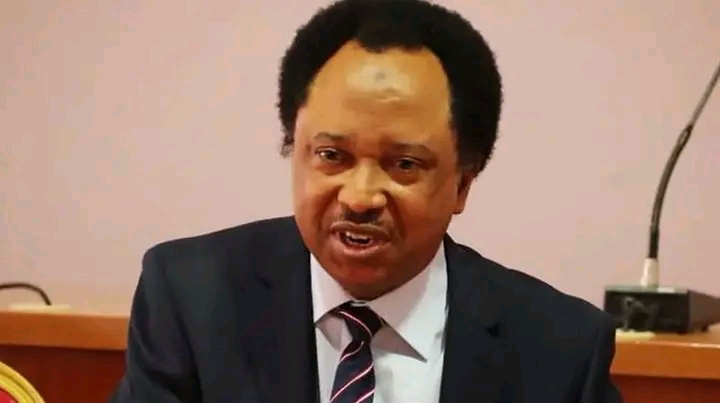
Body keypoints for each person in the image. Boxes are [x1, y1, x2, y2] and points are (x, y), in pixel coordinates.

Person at [110, 0, 622, 402]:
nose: (359, 197)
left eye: (404, 164)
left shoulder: (559, 349)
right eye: (332, 156)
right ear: (293, 150)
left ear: (463, 184)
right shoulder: (192, 298)